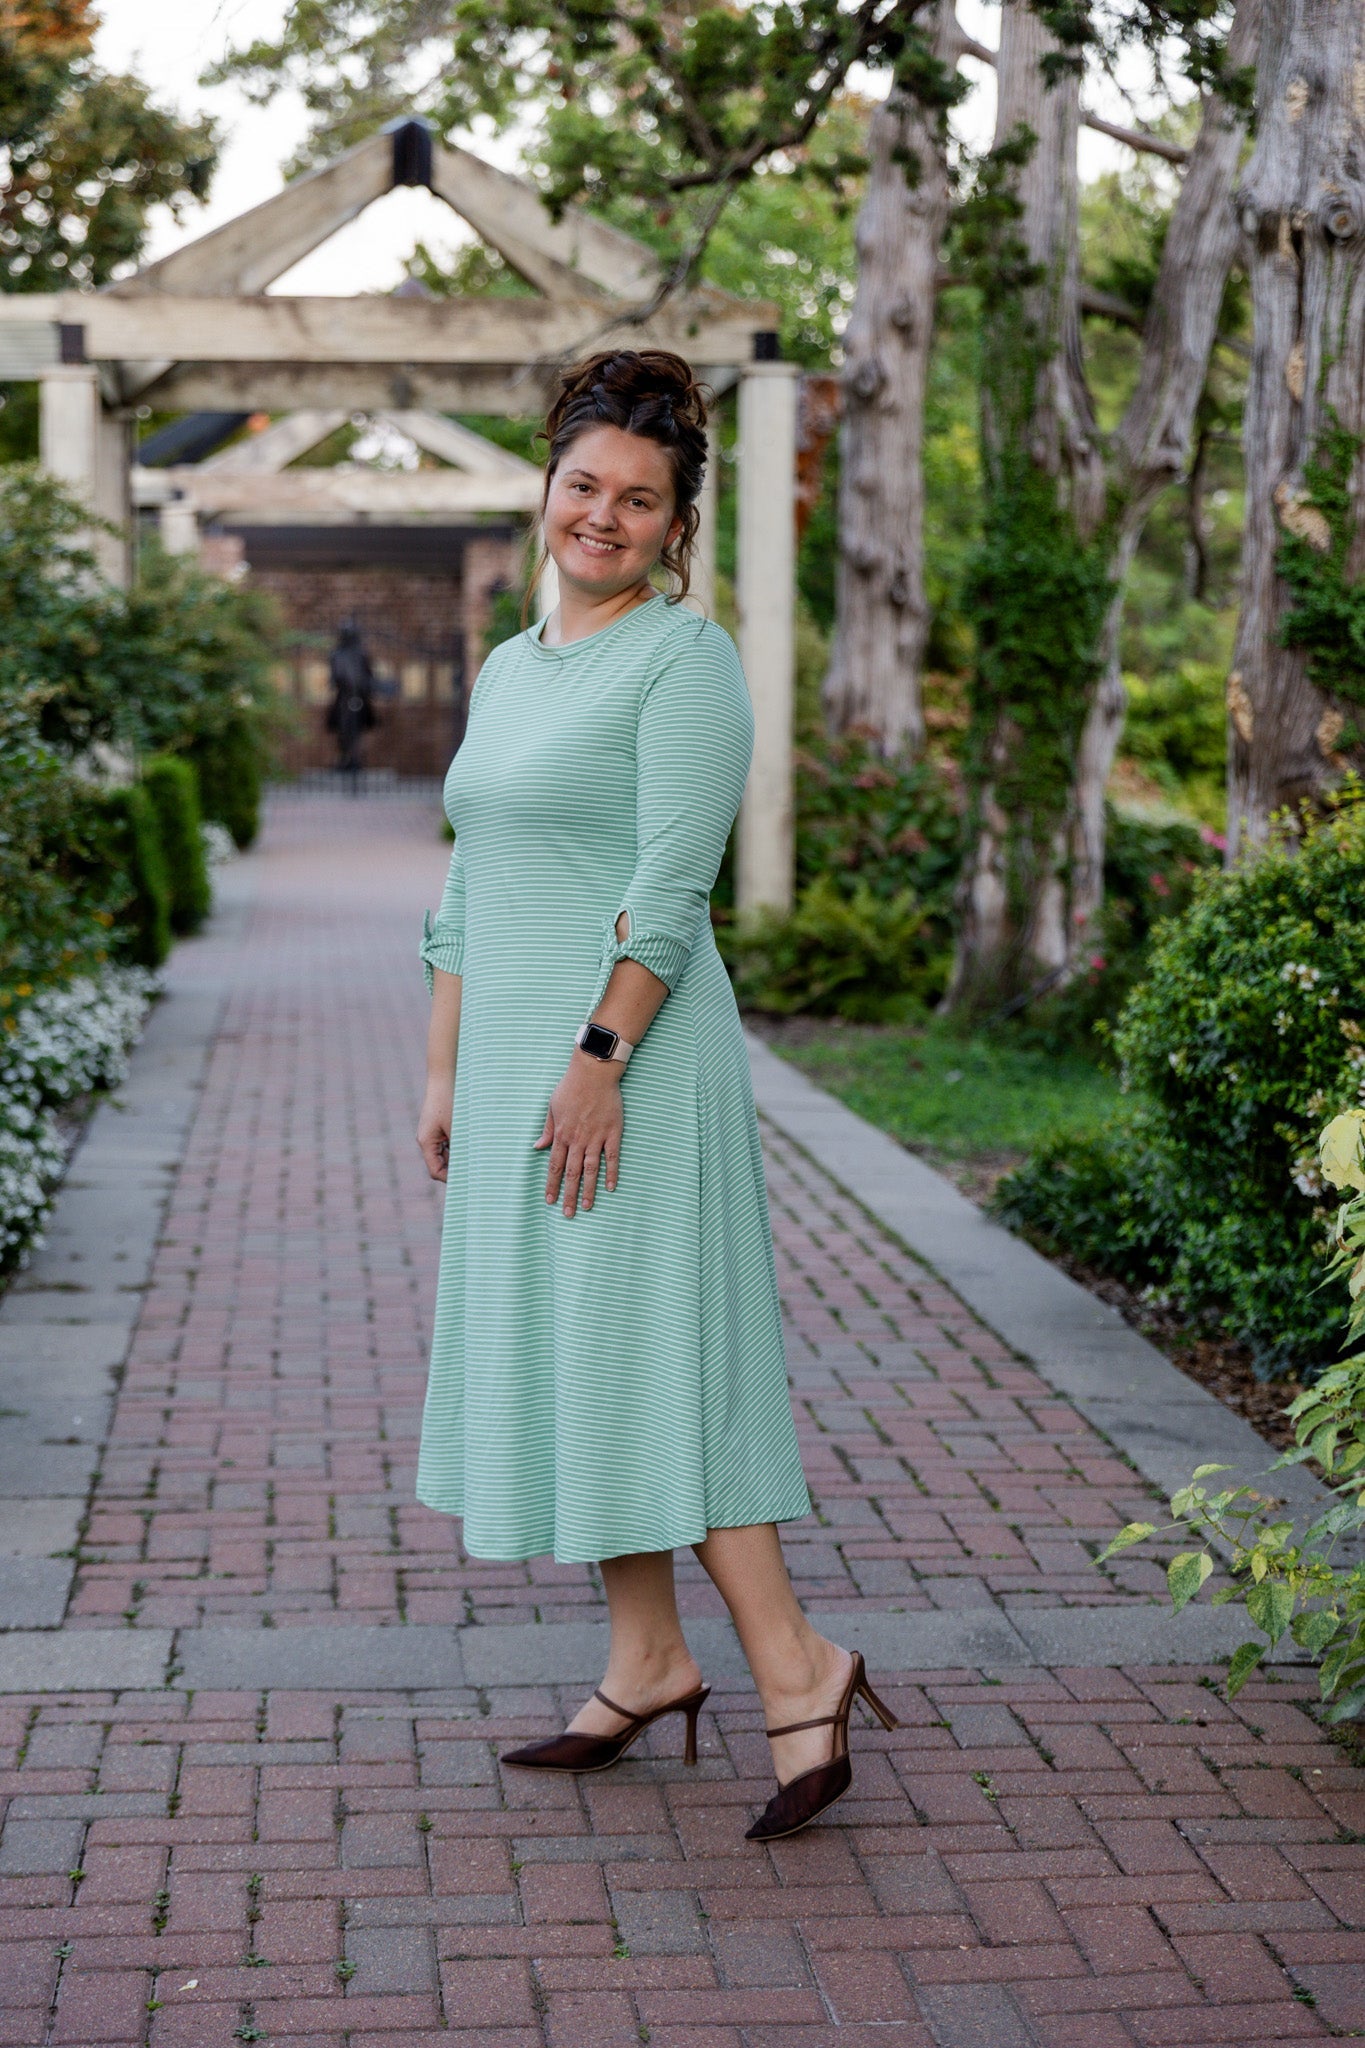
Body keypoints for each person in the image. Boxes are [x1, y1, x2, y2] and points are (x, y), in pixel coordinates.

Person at [414, 348, 897, 1841]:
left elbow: (669, 895)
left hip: (629, 1062)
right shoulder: (509, 664)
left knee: (657, 1364)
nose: (604, 517)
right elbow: (468, 882)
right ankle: (645, 1657)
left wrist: (598, 1058)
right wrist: (443, 1069)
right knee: (573, 1361)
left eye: (640, 498)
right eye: (583, 487)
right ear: (546, 490)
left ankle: (798, 1668)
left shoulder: (684, 664)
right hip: (513, 1067)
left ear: (678, 525)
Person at [325, 621, 377, 780]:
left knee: (357, 730)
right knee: (343, 729)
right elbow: (333, 677)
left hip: (359, 698)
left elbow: (369, 675)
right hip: (343, 698)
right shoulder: (336, 654)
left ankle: (354, 759)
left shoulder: (361, 654)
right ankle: (345, 759)